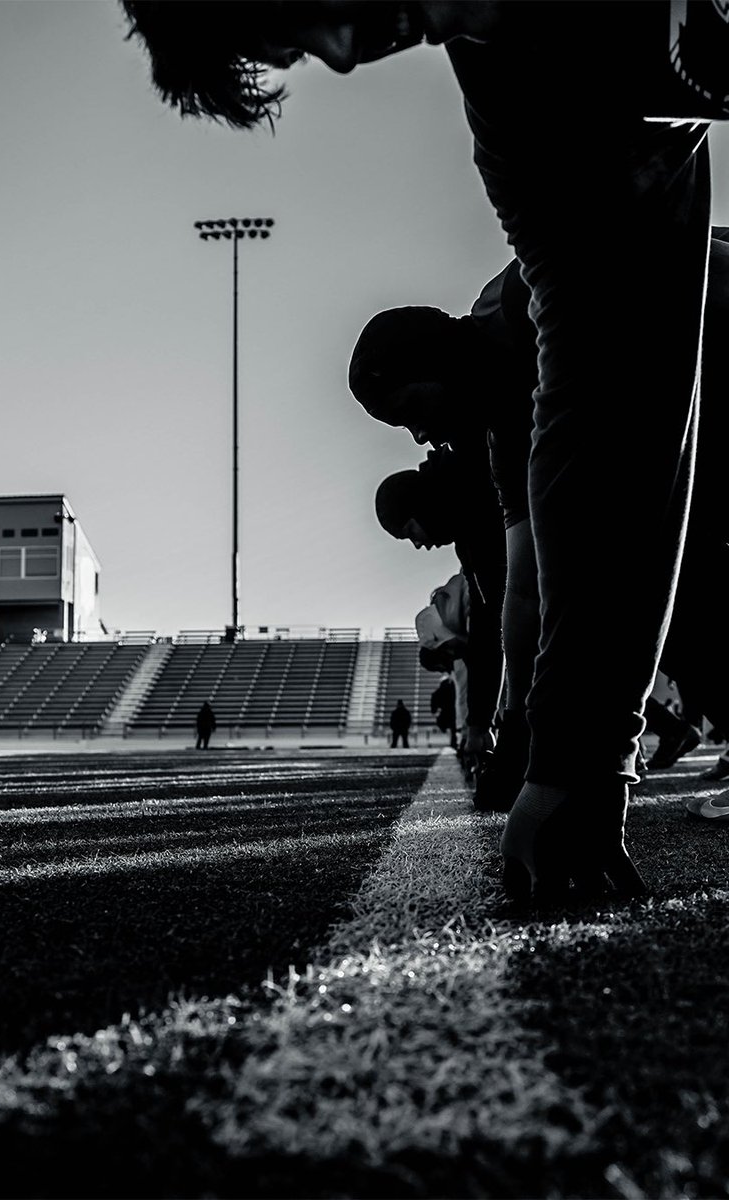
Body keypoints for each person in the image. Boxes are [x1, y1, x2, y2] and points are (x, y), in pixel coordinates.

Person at [120, 0, 729, 906]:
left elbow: (535, 559)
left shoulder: (507, 331)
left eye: (289, 9)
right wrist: (574, 756)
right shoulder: (528, 123)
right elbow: (609, 418)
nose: (337, 50)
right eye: (295, 49)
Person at [352, 227, 729, 811]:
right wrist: (525, 743)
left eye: (409, 411)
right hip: (681, 401)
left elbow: (681, 260)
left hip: (708, 324)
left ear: (437, 366)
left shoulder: (517, 311)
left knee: (679, 560)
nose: (421, 435)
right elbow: (524, 595)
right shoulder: (505, 440)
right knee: (659, 572)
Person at [375, 446, 506, 784]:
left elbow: (489, 628)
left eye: (410, 532)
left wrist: (478, 725)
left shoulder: (479, 499)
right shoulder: (469, 527)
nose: (418, 544)